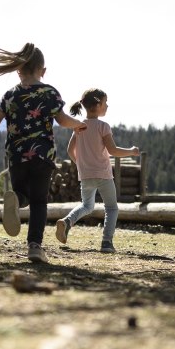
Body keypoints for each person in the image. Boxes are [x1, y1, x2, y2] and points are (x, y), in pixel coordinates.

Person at [0, 42, 86, 264]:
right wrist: (78, 124)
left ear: (18, 70)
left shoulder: (10, 95)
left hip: (16, 156)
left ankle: (15, 200)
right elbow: (62, 120)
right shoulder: (48, 92)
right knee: (39, 201)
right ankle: (35, 246)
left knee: (22, 195)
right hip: (42, 156)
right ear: (42, 70)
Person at [55, 88, 139, 253]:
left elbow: (69, 150)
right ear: (99, 104)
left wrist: (80, 164)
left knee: (86, 206)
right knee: (112, 208)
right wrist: (131, 151)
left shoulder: (79, 127)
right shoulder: (103, 126)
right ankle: (106, 243)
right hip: (103, 174)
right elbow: (113, 151)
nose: (107, 106)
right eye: (105, 103)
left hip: (86, 175)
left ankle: (66, 222)